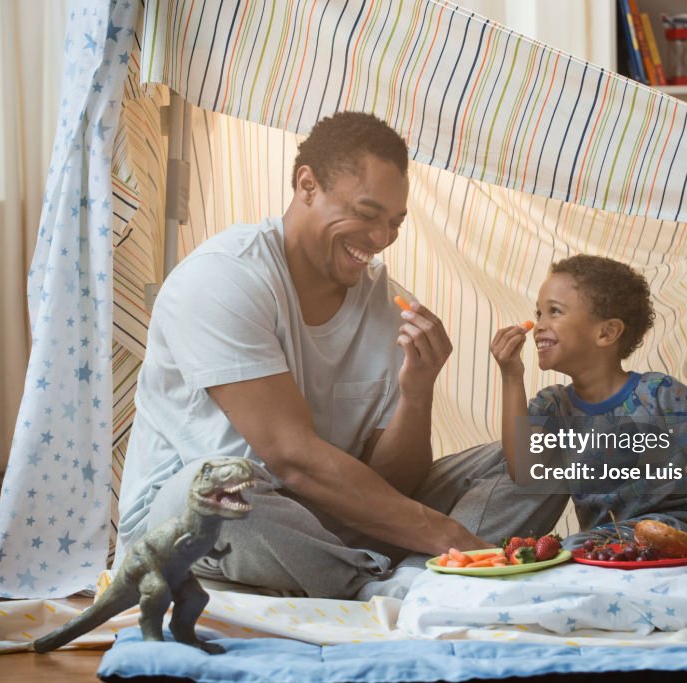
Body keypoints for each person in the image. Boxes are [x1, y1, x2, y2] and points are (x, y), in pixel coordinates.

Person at [116, 111, 566, 599]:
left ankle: (406, 578)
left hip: (330, 523)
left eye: (394, 223)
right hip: (207, 529)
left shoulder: (390, 307)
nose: (381, 239)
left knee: (546, 453)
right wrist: (448, 535)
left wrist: (417, 394)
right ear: (307, 185)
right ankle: (399, 584)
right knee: (216, 494)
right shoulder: (223, 279)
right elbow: (292, 457)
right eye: (367, 214)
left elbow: (392, 484)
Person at [490, 254, 687, 587]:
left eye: (554, 311)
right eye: (538, 313)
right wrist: (511, 376)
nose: (538, 325)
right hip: (603, 542)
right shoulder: (551, 406)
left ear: (607, 332)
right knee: (557, 556)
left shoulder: (659, 394)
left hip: (673, 529)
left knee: (566, 556)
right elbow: (523, 471)